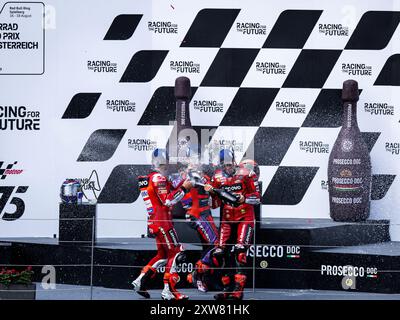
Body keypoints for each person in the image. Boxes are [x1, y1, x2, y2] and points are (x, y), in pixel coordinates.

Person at [132, 148, 193, 300]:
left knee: (163, 255)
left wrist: (184, 178)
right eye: (167, 164)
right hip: (163, 222)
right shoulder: (158, 178)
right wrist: (185, 188)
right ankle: (169, 290)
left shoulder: (151, 178)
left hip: (155, 222)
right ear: (162, 163)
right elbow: (168, 200)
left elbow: (171, 189)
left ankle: (140, 281)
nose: (170, 166)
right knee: (177, 252)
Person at [205, 149, 260, 300]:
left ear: (235, 162)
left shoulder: (247, 174)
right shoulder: (216, 177)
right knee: (218, 254)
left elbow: (257, 198)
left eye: (230, 165)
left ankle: (238, 291)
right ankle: (226, 289)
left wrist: (244, 198)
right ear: (221, 165)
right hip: (227, 219)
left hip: (245, 217)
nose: (228, 168)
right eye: (225, 165)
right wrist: (211, 193)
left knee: (240, 252)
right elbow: (214, 205)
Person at [179, 163, 219, 292]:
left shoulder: (206, 177)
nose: (195, 165)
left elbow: (214, 204)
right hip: (196, 215)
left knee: (209, 247)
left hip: (207, 215)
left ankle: (206, 279)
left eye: (196, 162)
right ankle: (197, 275)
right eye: (191, 163)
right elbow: (181, 195)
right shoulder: (185, 177)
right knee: (216, 244)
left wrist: (212, 190)